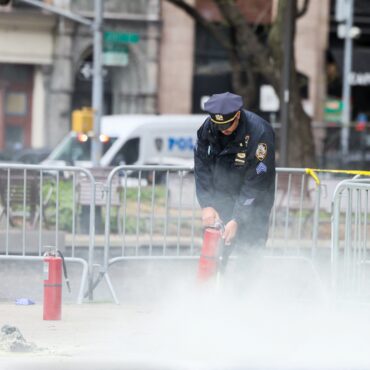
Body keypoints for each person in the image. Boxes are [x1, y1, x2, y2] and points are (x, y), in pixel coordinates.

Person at [194, 91, 276, 259]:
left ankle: (246, 284)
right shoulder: (209, 127)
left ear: (237, 115)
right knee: (215, 255)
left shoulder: (260, 134)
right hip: (222, 197)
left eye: (227, 125)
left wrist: (237, 219)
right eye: (219, 125)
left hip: (254, 202)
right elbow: (202, 166)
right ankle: (214, 284)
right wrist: (207, 204)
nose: (223, 130)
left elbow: (257, 181)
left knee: (249, 255)